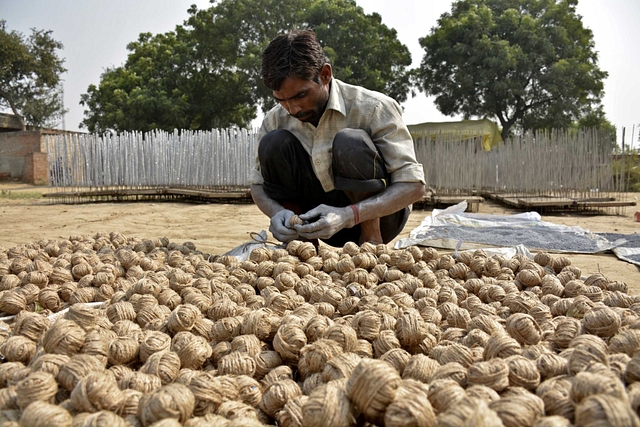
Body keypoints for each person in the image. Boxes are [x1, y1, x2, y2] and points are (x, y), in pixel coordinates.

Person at [250, 29, 426, 247]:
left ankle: (371, 242)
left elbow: (414, 185)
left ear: (325, 74)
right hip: (318, 220)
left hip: (381, 218)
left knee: (350, 142)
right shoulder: (276, 119)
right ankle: (301, 244)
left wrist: (349, 215)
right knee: (273, 143)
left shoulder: (372, 108)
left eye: (301, 95)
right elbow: (257, 185)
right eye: (281, 100)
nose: (293, 108)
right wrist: (277, 212)